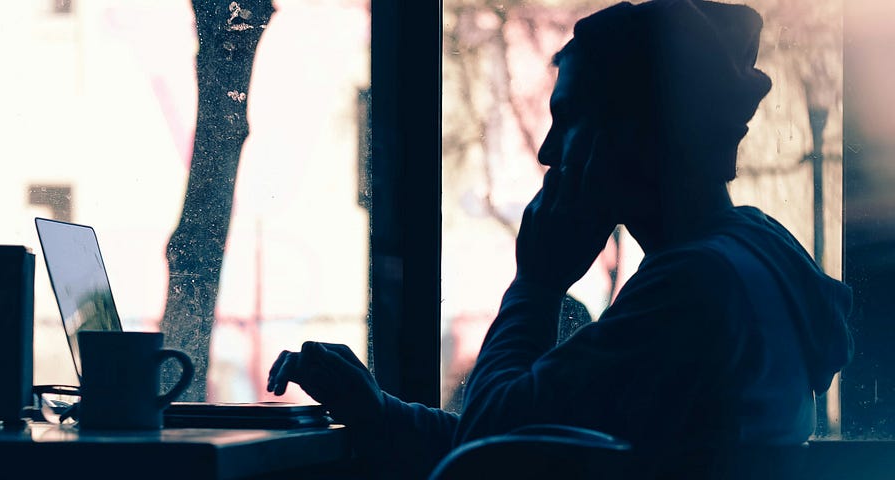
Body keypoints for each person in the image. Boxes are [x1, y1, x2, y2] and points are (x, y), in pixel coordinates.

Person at [267, 0, 852, 477]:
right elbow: (529, 431)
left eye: (570, 117)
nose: (550, 151)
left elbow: (489, 455)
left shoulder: (694, 287)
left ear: (639, 131)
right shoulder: (748, 256)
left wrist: (538, 284)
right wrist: (379, 412)